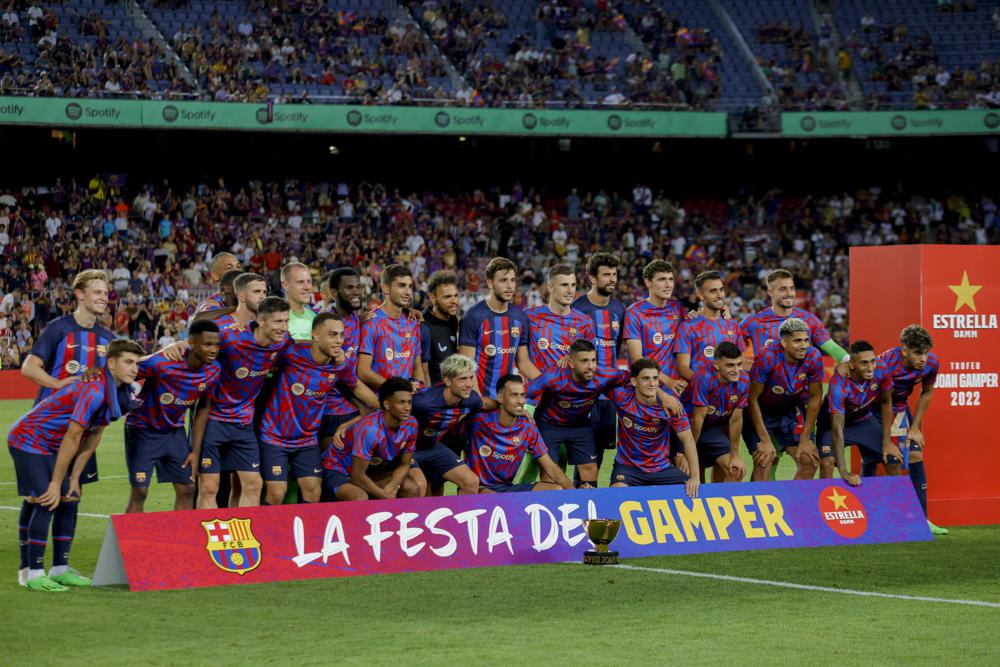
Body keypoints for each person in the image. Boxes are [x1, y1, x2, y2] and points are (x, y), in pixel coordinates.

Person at [9, 339, 142, 591]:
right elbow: (73, 435)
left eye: (136, 363)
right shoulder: (94, 390)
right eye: (128, 362)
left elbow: (93, 435)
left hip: (54, 443)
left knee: (70, 497)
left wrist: (73, 479)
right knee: (48, 498)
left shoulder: (123, 392)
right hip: (30, 439)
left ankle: (60, 569)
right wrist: (57, 481)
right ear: (111, 363)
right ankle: (33, 572)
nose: (134, 368)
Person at [20, 270, 115, 515]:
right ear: (79, 294)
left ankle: (62, 556)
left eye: (106, 292)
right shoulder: (58, 328)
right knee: (39, 499)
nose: (104, 297)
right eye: (97, 292)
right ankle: (32, 555)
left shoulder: (108, 338)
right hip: (48, 428)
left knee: (71, 498)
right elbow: (29, 367)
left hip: (82, 431)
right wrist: (57, 383)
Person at [258, 313, 377, 505]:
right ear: (315, 335)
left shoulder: (340, 364)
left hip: (307, 439)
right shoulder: (292, 354)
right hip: (275, 436)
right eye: (332, 335)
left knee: (313, 492)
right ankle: (270, 534)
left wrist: (381, 406)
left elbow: (354, 385)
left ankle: (303, 533)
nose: (339, 341)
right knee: (277, 493)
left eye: (341, 335)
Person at [193, 296, 291, 508]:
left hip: (243, 424)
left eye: (286, 321)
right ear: (261, 321)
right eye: (278, 322)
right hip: (214, 421)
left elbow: (301, 349)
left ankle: (245, 538)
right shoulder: (231, 337)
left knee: (253, 485)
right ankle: (208, 539)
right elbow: (199, 338)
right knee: (209, 486)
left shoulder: (283, 342)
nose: (283, 327)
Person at [124, 320, 221, 513]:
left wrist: (195, 450)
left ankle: (181, 540)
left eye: (217, 345)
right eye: (207, 344)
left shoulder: (213, 370)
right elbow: (126, 369)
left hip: (175, 433)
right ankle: (132, 541)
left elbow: (202, 407)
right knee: (140, 491)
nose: (213, 350)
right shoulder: (163, 362)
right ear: (191, 343)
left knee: (187, 489)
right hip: (143, 430)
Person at [876, 325, 947, 535]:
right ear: (904, 349)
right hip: (873, 408)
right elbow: (878, 397)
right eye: (918, 353)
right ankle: (894, 518)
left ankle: (922, 519)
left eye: (926, 352)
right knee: (884, 459)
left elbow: (926, 393)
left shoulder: (931, 364)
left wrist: (915, 428)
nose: (923, 358)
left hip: (898, 408)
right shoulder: (885, 363)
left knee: (915, 454)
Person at [744, 318, 824, 482]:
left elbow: (816, 397)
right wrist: (765, 440)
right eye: (797, 341)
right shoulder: (768, 357)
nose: (803, 345)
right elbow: (752, 399)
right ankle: (761, 505)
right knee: (764, 459)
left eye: (806, 340)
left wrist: (805, 438)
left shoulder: (814, 357)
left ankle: (795, 505)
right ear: (784, 342)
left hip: (790, 409)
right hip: (761, 409)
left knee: (809, 460)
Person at [465, 374, 574, 493]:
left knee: (555, 489)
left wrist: (576, 493)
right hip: (480, 489)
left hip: (508, 488)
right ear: (500, 398)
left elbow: (550, 466)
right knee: (492, 497)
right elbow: (466, 403)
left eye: (523, 396)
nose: (520, 401)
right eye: (514, 395)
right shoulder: (477, 420)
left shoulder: (527, 426)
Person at [607, 358, 700, 497]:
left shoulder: (672, 406)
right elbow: (596, 378)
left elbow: (688, 439)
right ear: (634, 381)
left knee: (691, 492)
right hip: (628, 468)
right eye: (646, 378)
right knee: (617, 495)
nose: (652, 384)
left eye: (655, 378)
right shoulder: (622, 396)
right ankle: (596, 520)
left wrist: (695, 477)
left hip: (661, 468)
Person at [320, 377, 424, 501]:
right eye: (401, 402)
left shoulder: (411, 424)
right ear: (387, 404)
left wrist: (391, 486)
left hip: (369, 470)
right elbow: (357, 476)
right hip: (337, 470)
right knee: (360, 497)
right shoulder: (370, 429)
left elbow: (405, 463)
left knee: (411, 488)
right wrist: (385, 495)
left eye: (409, 402)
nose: (407, 407)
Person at [572, 252, 626, 475]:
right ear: (592, 278)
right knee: (585, 458)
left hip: (608, 397)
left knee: (600, 456)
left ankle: (589, 499)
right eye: (606, 275)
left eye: (614, 274)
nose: (612, 279)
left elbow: (618, 343)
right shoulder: (577, 309)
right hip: (584, 395)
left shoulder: (619, 310)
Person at [458, 257, 539, 401]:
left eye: (512, 280)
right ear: (490, 283)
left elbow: (524, 362)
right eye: (503, 280)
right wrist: (479, 402)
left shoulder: (520, 318)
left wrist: (549, 384)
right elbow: (466, 366)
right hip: (480, 399)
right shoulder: (473, 316)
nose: (510, 286)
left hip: (506, 402)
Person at [817, 340, 893, 488]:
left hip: (863, 420)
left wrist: (887, 441)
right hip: (831, 425)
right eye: (864, 363)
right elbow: (837, 430)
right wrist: (844, 472)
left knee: (891, 458)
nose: (870, 368)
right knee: (827, 462)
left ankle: (895, 507)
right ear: (851, 364)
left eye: (872, 361)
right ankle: (823, 505)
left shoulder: (882, 370)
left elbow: (886, 402)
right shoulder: (838, 385)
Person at [410, 354, 483, 495]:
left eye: (471, 378)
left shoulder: (471, 399)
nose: (469, 384)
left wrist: (508, 407)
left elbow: (485, 404)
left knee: (471, 482)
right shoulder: (422, 402)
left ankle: (460, 516)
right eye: (462, 379)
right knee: (419, 486)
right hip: (409, 449)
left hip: (433, 447)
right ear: (447, 381)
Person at [676, 341, 748, 483]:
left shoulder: (744, 380)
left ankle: (725, 503)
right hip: (686, 429)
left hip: (710, 430)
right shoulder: (704, 378)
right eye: (730, 365)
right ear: (716, 365)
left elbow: (736, 419)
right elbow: (698, 419)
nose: (736, 370)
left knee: (736, 470)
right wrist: (688, 455)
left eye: (739, 364)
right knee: (689, 472)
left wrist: (735, 454)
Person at [739, 269, 848, 363]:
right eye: (783, 289)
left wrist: (848, 361)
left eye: (792, 288)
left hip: (801, 385)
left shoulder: (809, 319)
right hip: (766, 386)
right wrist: (751, 367)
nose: (789, 293)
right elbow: (728, 350)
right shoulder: (752, 322)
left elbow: (832, 348)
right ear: (770, 292)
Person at [624, 260, 688, 394]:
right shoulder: (634, 312)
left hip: (677, 390)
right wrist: (667, 381)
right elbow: (637, 358)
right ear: (648, 282)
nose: (668, 285)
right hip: (647, 389)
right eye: (662, 279)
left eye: (671, 279)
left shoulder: (677, 308)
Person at [318, 268, 365, 453]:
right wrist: (363, 407)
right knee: (333, 464)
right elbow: (340, 377)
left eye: (358, 287)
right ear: (335, 293)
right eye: (349, 288)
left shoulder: (352, 314)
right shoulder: (328, 326)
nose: (356, 291)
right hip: (331, 408)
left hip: (350, 404)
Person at [357, 264, 425, 389]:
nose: (408, 292)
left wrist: (420, 389)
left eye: (410, 287)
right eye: (401, 286)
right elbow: (363, 372)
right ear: (386, 288)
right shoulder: (372, 322)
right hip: (380, 401)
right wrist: (398, 388)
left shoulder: (412, 322)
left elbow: (418, 368)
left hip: (408, 399)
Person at [676, 270, 745, 380]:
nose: (719, 295)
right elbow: (683, 368)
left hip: (730, 393)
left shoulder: (733, 324)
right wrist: (708, 386)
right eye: (713, 291)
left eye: (721, 290)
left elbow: (742, 361)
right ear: (700, 295)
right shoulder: (688, 326)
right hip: (702, 394)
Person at [525, 264, 595, 372]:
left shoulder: (585, 322)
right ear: (550, 287)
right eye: (564, 285)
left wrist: (574, 357)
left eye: (573, 285)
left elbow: (592, 361)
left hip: (571, 388)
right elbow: (520, 359)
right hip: (538, 388)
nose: (570, 291)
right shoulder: (529, 317)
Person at [420, 270, 460, 385]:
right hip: (435, 393)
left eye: (456, 295)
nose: (454, 301)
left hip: (452, 389)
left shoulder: (453, 320)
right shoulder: (423, 326)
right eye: (447, 297)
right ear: (433, 299)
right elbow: (422, 371)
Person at [281, 261, 316, 341]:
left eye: (309, 281)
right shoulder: (275, 318)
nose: (307, 287)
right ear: (285, 285)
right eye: (300, 282)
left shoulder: (314, 316)